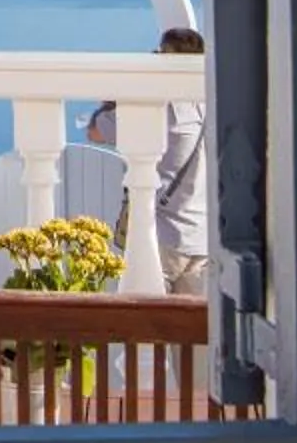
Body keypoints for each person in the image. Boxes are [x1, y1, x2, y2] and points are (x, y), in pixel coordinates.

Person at [87, 28, 212, 296]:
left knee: (150, 322)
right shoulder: (212, 104)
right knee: (194, 330)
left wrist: (111, 104)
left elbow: (96, 131)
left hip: (162, 238)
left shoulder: (157, 107)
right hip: (202, 237)